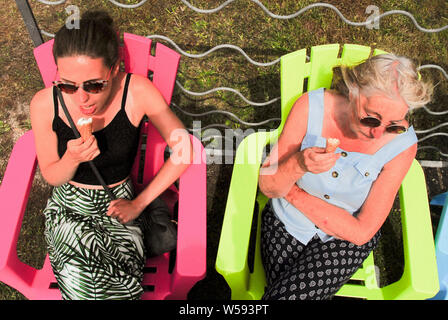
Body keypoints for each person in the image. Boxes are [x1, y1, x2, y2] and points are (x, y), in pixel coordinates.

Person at [29, 10, 192, 300]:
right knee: (84, 285)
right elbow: (52, 175)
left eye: (94, 85)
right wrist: (71, 159)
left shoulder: (136, 92)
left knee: (117, 289)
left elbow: (183, 148)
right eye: (67, 85)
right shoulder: (44, 105)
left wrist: (139, 204)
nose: (82, 98)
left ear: (114, 70)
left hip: (119, 206)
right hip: (69, 209)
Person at [258, 53, 433, 300]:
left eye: (394, 125)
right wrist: (299, 163)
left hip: (344, 239)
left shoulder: (403, 145)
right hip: (288, 222)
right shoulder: (311, 108)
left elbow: (362, 231)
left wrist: (293, 192)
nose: (378, 134)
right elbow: (268, 184)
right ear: (353, 91)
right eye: (371, 118)